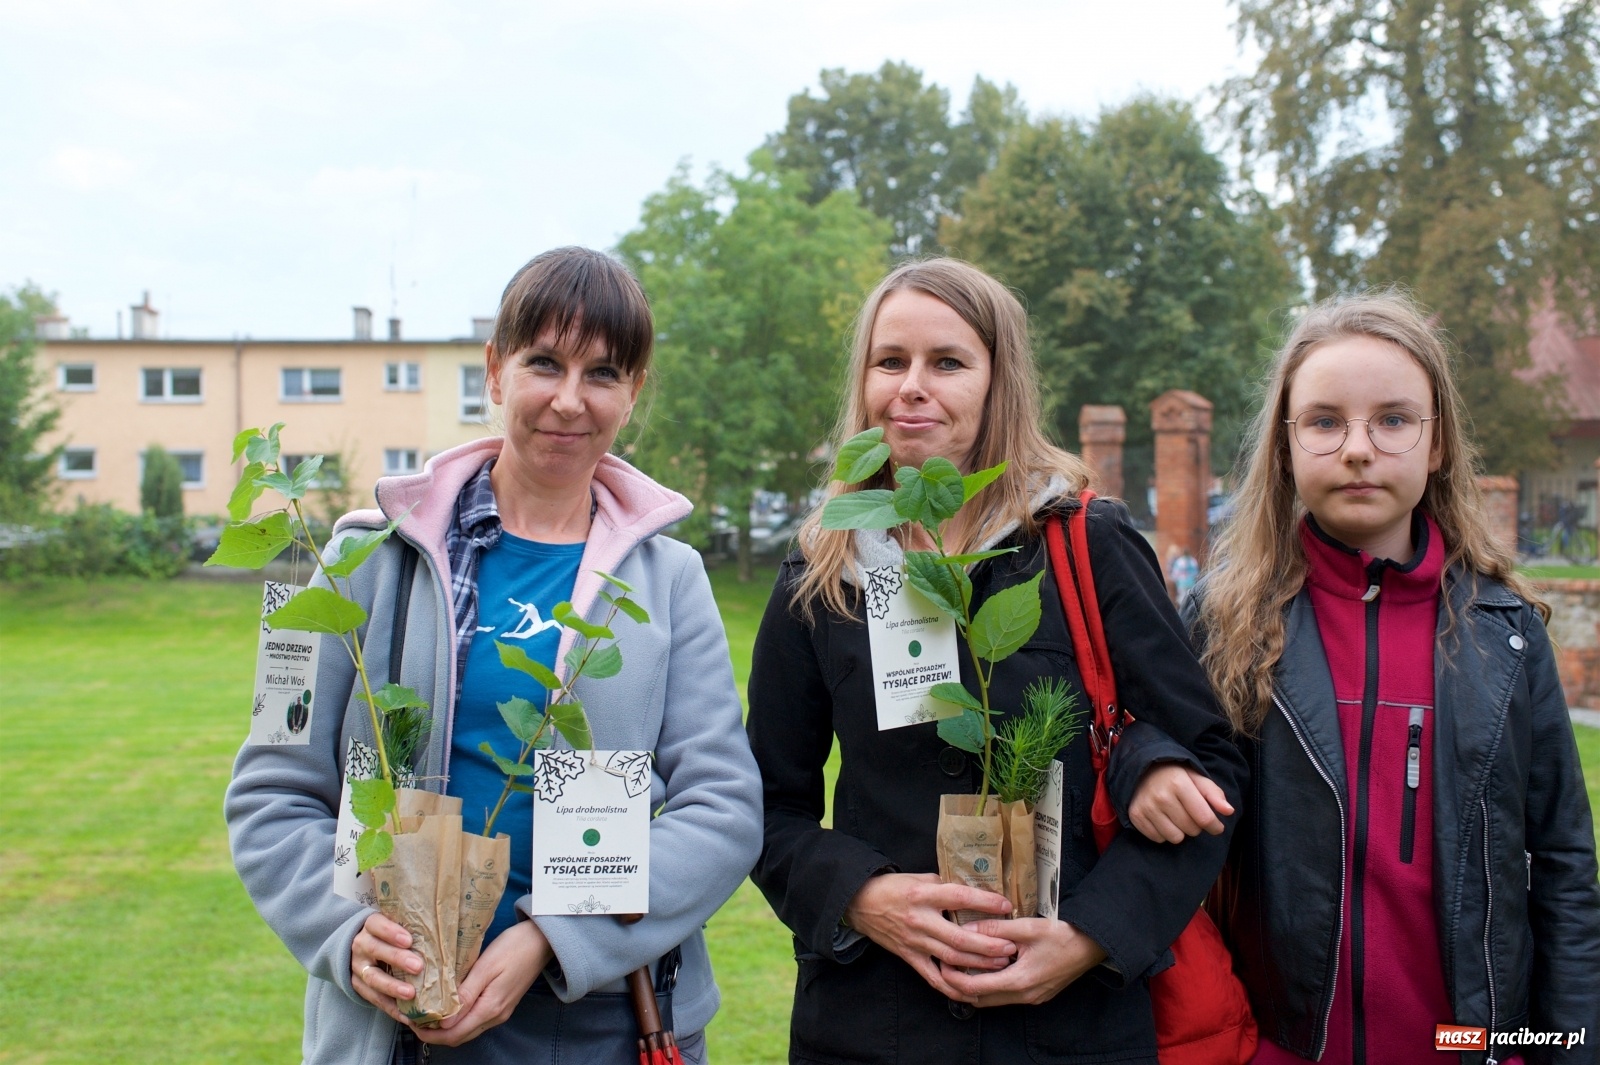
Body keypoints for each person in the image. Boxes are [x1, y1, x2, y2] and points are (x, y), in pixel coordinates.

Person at [226, 247, 762, 1064]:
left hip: (608, 1027)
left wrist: (552, 935)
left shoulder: (673, 579)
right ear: (494, 370)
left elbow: (723, 809)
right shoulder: (351, 559)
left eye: (603, 372)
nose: (569, 399)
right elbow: (270, 788)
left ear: (634, 392)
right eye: (544, 362)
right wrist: (345, 932)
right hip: (397, 1022)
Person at [745, 258, 1249, 1064]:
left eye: (947, 362)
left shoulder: (1087, 545)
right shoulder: (823, 571)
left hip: (1071, 1029)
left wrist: (1093, 935)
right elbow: (767, 804)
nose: (913, 386)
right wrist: (863, 895)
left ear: (999, 381)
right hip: (874, 1025)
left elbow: (1211, 767)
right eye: (890, 361)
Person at [1114, 291, 1600, 1062]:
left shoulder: (1505, 636)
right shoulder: (1226, 620)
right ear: (1284, 446)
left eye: (1394, 420)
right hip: (1283, 1047)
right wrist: (1146, 763)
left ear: (1438, 445)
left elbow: (1567, 869)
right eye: (1324, 421)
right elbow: (1142, 742)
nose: (1358, 449)